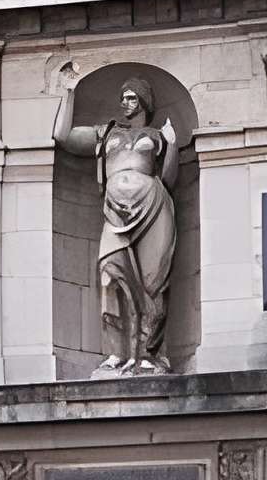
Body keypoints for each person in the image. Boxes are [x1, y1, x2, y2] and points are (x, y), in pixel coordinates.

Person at [53, 69, 187, 371]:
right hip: (114, 211)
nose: (124, 103)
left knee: (153, 282)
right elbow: (63, 136)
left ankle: (148, 355)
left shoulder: (157, 137)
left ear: (143, 101)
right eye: (123, 98)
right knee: (109, 275)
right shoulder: (107, 132)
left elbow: (169, 179)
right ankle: (116, 351)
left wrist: (173, 145)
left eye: (131, 97)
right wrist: (69, 93)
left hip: (153, 208)